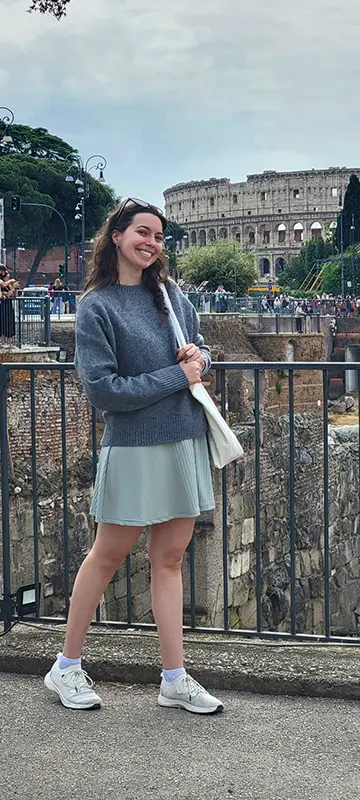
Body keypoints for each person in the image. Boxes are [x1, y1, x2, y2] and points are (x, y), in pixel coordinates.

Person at [44, 198, 224, 715]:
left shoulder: (171, 296)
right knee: (108, 555)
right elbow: (104, 391)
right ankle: (66, 666)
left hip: (183, 438)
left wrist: (198, 358)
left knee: (170, 559)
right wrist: (178, 375)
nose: (151, 242)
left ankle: (174, 677)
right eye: (142, 232)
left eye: (159, 236)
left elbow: (200, 350)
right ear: (117, 236)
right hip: (133, 445)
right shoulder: (97, 306)